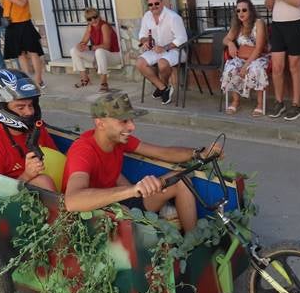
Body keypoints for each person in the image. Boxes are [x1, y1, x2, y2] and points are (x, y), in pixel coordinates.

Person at [63, 93, 218, 232]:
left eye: (131, 120)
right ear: (100, 123)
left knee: (180, 180)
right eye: (124, 121)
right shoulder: (82, 150)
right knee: (126, 211)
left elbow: (163, 152)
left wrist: (198, 153)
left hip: (118, 199)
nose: (132, 126)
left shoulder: (119, 140)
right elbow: (72, 201)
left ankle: (193, 241)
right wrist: (132, 190)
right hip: (90, 215)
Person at [0, 69, 57, 190]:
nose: (29, 112)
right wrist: (27, 175)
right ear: (0, 108)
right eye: (20, 107)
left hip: (53, 189)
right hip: (18, 200)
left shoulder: (37, 129)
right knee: (43, 181)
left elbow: (57, 160)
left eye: (31, 105)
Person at [0, 0, 45, 87]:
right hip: (11, 23)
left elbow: (22, 3)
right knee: (20, 54)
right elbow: (3, 4)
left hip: (23, 21)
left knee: (33, 52)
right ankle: (27, 80)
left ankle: (38, 79)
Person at [135, 0, 188, 105]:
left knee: (162, 63)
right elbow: (141, 35)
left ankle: (161, 88)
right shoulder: (147, 16)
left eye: (156, 3)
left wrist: (165, 47)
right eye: (150, 4)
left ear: (162, 3)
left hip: (175, 50)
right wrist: (145, 41)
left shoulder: (173, 17)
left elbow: (182, 38)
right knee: (140, 63)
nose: (153, 6)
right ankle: (163, 88)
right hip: (155, 50)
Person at [220, 0, 269, 117]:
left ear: (251, 11)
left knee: (256, 69)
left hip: (258, 57)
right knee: (230, 69)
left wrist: (246, 66)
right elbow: (225, 39)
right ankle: (236, 101)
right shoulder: (237, 26)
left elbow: (259, 48)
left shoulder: (258, 23)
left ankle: (259, 104)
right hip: (241, 58)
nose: (241, 13)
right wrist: (230, 43)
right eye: (238, 11)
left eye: (244, 10)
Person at [70, 8, 121, 92]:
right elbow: (84, 41)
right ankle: (85, 79)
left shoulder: (104, 26)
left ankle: (104, 83)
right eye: (89, 19)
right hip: (99, 56)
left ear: (99, 16)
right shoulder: (90, 27)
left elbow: (107, 46)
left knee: (99, 51)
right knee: (74, 50)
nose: (93, 20)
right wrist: (80, 45)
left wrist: (90, 47)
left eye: (95, 17)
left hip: (113, 55)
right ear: (87, 20)